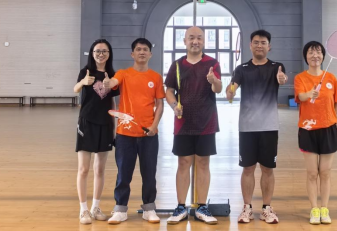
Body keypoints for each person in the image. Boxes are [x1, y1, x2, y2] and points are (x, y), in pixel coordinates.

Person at [226, 29, 287, 224]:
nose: (259, 45)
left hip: (269, 126)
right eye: (256, 42)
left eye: (263, 42)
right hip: (247, 127)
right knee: (248, 168)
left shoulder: (277, 67)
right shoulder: (241, 69)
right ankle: (247, 208)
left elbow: (282, 78)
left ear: (269, 46)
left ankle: (267, 208)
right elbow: (231, 89)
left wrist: (282, 79)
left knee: (268, 169)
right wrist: (230, 91)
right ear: (250, 45)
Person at [164, 26, 223, 225]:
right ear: (185, 41)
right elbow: (169, 91)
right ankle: (181, 207)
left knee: (203, 163)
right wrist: (174, 106)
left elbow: (218, 89)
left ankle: (201, 207)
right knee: (183, 163)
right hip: (183, 123)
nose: (195, 41)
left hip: (207, 122)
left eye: (199, 38)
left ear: (204, 41)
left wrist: (214, 80)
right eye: (191, 38)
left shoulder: (212, 63)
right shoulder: (177, 65)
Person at [107, 38, 165, 224]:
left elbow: (160, 104)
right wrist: (107, 81)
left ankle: (149, 208)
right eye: (138, 49)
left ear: (150, 54)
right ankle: (120, 209)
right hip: (125, 134)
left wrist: (154, 126)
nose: (142, 52)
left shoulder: (156, 77)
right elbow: (112, 82)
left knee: (149, 174)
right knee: (123, 174)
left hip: (148, 134)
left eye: (145, 49)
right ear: (132, 54)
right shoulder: (123, 74)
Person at [294, 41, 337, 225]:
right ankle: (314, 209)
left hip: (328, 130)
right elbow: (300, 97)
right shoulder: (300, 78)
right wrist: (309, 94)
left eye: (318, 52)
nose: (315, 55)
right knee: (312, 173)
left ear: (323, 56)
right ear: (306, 57)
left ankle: (324, 208)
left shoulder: (330, 78)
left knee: (325, 172)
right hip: (307, 129)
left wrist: (330, 116)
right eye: (311, 52)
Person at [73, 39, 120, 225]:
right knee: (83, 169)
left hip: (105, 124)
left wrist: (114, 126)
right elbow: (75, 89)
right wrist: (83, 82)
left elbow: (112, 101)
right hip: (87, 123)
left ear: (109, 54)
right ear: (92, 53)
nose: (101, 54)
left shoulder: (112, 75)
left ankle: (95, 207)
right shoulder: (85, 72)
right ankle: (83, 209)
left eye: (104, 51)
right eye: (97, 51)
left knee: (99, 169)